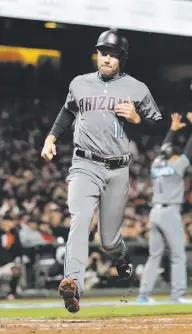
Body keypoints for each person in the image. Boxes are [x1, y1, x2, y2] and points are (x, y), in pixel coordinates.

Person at [40, 29, 163, 313]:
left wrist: (137, 117)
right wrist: (51, 137)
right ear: (97, 54)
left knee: (108, 239)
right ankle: (72, 284)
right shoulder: (80, 83)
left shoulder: (137, 87)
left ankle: (121, 256)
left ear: (122, 58)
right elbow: (67, 112)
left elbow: (157, 122)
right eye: (103, 53)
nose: (107, 59)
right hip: (84, 164)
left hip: (118, 168)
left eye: (113, 54)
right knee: (79, 221)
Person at [136, 112, 192, 304]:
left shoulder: (156, 164)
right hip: (169, 212)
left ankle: (143, 295)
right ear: (174, 154)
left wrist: (172, 129)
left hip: (154, 212)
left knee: (154, 255)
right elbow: (189, 151)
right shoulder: (176, 165)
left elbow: (164, 148)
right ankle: (178, 295)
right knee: (178, 255)